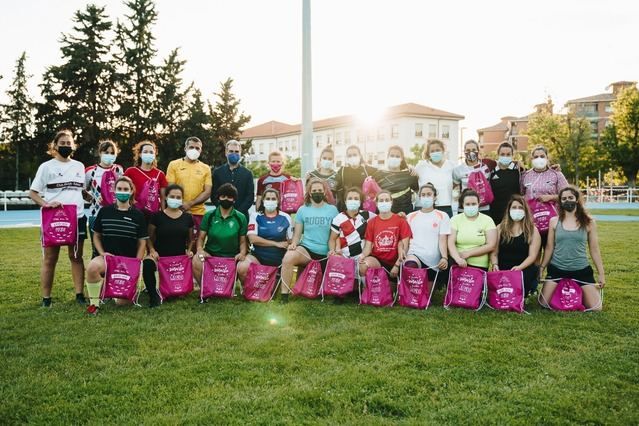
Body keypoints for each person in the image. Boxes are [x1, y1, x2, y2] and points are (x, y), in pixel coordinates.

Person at [29, 130, 87, 307]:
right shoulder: (46, 167)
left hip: (77, 217)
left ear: (73, 146)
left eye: (69, 143)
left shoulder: (79, 166)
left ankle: (79, 295)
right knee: (50, 258)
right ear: (55, 146)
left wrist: (92, 197)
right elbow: (32, 193)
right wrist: (45, 204)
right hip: (54, 219)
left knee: (76, 256)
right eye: (62, 143)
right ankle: (46, 298)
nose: (66, 146)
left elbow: (80, 191)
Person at [85, 176, 148, 312]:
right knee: (92, 268)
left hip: (128, 262)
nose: (122, 191)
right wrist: (102, 253)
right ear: (114, 190)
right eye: (119, 189)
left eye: (126, 189)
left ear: (131, 191)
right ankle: (94, 304)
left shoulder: (138, 215)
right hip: (108, 258)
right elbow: (96, 235)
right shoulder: (105, 211)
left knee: (122, 303)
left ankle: (112, 291)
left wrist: (137, 262)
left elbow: (142, 242)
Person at [539, 186, 605, 311]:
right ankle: (568, 292)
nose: (567, 200)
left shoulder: (589, 222)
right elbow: (549, 248)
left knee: (596, 308)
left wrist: (601, 274)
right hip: (557, 269)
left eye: (570, 197)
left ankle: (577, 292)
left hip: (581, 270)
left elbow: (594, 249)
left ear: (576, 200)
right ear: (560, 201)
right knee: (543, 304)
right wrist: (542, 268)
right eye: (564, 198)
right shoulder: (554, 221)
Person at [280, 178, 339, 303]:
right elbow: (297, 234)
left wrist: (333, 250)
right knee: (288, 258)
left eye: (320, 190)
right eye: (314, 190)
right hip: (307, 249)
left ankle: (338, 294)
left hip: (326, 252)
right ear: (310, 193)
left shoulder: (333, 210)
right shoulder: (302, 210)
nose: (317, 192)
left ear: (324, 192)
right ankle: (284, 295)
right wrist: (294, 244)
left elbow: (336, 235)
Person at [144, 184, 194, 307]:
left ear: (182, 199)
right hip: (159, 257)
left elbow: (191, 239)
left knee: (176, 294)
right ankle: (153, 296)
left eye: (178, 197)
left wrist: (189, 250)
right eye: (172, 196)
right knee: (147, 263)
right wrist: (152, 250)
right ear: (165, 197)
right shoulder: (156, 216)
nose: (175, 199)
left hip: (178, 260)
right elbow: (148, 237)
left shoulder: (188, 217)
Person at [192, 183, 248, 287]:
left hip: (232, 258)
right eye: (223, 196)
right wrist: (200, 249)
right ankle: (205, 290)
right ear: (218, 198)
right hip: (211, 256)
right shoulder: (209, 215)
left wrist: (242, 253)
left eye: (229, 197)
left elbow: (243, 241)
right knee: (196, 259)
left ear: (234, 199)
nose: (226, 199)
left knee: (244, 264)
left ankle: (242, 288)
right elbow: (201, 238)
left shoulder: (241, 217)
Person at [237, 188, 293, 281]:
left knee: (269, 290)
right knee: (242, 267)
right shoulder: (255, 216)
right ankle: (247, 289)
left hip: (279, 259)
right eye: (267, 199)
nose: (270, 201)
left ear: (278, 201)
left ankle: (276, 276)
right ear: (263, 201)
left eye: (273, 199)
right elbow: (252, 239)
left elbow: (290, 240)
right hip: (258, 257)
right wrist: (276, 243)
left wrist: (289, 244)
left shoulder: (286, 217)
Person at [490, 194, 541, 296]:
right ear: (509, 210)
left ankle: (530, 287)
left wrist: (519, 267)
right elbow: (494, 252)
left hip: (523, 268)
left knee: (518, 294)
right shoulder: (500, 228)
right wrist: (495, 264)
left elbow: (532, 256)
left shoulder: (533, 230)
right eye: (514, 207)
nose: (517, 210)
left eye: (520, 208)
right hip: (503, 268)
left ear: (525, 211)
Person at [166, 136, 212, 245]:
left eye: (197, 148)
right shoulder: (174, 164)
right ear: (185, 148)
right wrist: (180, 204)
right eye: (191, 147)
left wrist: (190, 203)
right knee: (176, 244)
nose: (194, 150)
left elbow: (207, 191)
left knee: (196, 245)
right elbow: (170, 187)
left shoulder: (205, 168)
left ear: (201, 150)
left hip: (198, 213)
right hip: (177, 211)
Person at [520, 145, 568, 245]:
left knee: (550, 250)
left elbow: (568, 195)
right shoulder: (525, 176)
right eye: (536, 157)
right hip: (532, 221)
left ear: (547, 158)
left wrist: (551, 197)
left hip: (552, 220)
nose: (539, 159)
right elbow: (521, 195)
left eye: (542, 156)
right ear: (531, 159)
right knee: (534, 251)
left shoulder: (556, 174)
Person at [404, 183, 451, 285]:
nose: (426, 197)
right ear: (419, 197)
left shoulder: (443, 216)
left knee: (425, 298)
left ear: (434, 197)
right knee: (410, 266)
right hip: (414, 254)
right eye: (423, 195)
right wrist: (402, 256)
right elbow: (406, 240)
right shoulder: (410, 216)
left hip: (433, 262)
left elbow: (443, 239)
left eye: (429, 194)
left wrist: (444, 257)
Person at [359, 190, 412, 279]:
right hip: (377, 259)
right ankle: (369, 290)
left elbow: (405, 247)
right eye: (381, 200)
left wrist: (397, 265)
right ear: (376, 203)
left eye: (387, 200)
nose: (384, 203)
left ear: (391, 202)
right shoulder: (372, 222)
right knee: (363, 265)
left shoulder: (401, 221)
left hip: (395, 262)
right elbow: (368, 247)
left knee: (390, 291)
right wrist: (362, 256)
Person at [84, 140, 125, 258]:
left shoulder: (118, 170)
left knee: (115, 250)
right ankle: (96, 275)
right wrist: (93, 198)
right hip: (96, 214)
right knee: (97, 252)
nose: (109, 155)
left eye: (113, 153)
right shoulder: (90, 171)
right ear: (100, 153)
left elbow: (124, 189)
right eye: (106, 152)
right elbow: (83, 191)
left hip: (116, 214)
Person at [448, 189, 497, 270]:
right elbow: (450, 243)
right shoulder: (455, 219)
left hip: (479, 266)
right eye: (467, 204)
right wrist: (458, 259)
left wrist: (468, 254)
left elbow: (491, 246)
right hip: (457, 264)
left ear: (478, 204)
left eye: (473, 204)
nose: (471, 206)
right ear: (462, 205)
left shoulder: (488, 220)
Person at [124, 140, 168, 218]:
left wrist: (163, 215)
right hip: (134, 211)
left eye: (151, 152)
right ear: (140, 154)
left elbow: (162, 198)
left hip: (153, 214)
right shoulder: (130, 171)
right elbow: (124, 189)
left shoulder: (160, 174)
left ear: (155, 155)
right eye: (145, 152)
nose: (148, 154)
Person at [212, 139, 254, 219]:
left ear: (240, 153)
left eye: (236, 151)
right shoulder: (217, 173)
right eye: (231, 151)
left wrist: (237, 213)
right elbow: (214, 195)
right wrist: (224, 211)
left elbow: (250, 197)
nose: (234, 154)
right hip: (222, 216)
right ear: (226, 152)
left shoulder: (247, 174)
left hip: (242, 217)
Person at [329, 187, 375, 259]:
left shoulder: (368, 215)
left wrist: (399, 215)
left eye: (356, 199)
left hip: (363, 257)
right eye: (350, 198)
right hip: (344, 257)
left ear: (360, 201)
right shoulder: (338, 218)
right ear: (345, 201)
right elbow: (332, 239)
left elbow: (383, 218)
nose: (353, 201)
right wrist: (332, 250)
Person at [452, 139, 496, 214]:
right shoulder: (458, 170)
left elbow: (501, 164)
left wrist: (517, 163)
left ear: (478, 151)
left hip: (484, 208)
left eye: (473, 149)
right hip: (465, 208)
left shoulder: (487, 165)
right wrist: (456, 204)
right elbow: (455, 190)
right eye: (468, 150)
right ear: (464, 152)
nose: (471, 152)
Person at [414, 139, 455, 217]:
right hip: (423, 207)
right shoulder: (421, 166)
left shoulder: (451, 165)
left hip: (445, 206)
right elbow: (412, 182)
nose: (435, 153)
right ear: (428, 153)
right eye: (432, 151)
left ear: (443, 151)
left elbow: (456, 182)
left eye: (437, 150)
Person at [373, 145, 418, 215]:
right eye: (392, 155)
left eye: (397, 156)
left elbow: (418, 192)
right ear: (387, 157)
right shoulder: (378, 174)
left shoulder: (409, 175)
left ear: (402, 158)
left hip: (405, 216)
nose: (394, 158)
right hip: (384, 216)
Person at [489, 141, 524, 225]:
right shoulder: (491, 171)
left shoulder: (519, 170)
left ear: (512, 155)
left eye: (508, 154)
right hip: (495, 214)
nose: (505, 156)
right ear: (498, 154)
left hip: (514, 213)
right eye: (502, 154)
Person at [334, 145, 377, 211]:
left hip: (364, 208)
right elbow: (335, 188)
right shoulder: (342, 171)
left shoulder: (367, 170)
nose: (352, 157)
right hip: (347, 208)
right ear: (347, 157)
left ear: (360, 155)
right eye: (350, 155)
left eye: (355, 154)